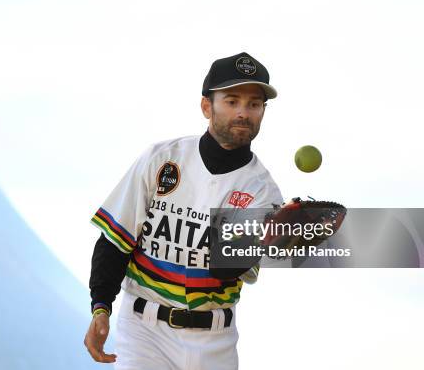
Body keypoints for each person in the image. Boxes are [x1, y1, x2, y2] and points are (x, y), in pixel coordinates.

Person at [84, 52, 283, 370]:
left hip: (214, 342)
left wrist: (276, 238)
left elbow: (224, 270)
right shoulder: (161, 158)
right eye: (232, 101)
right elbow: (116, 239)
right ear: (207, 106)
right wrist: (100, 306)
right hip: (143, 331)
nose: (243, 113)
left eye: (254, 104)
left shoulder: (263, 191)